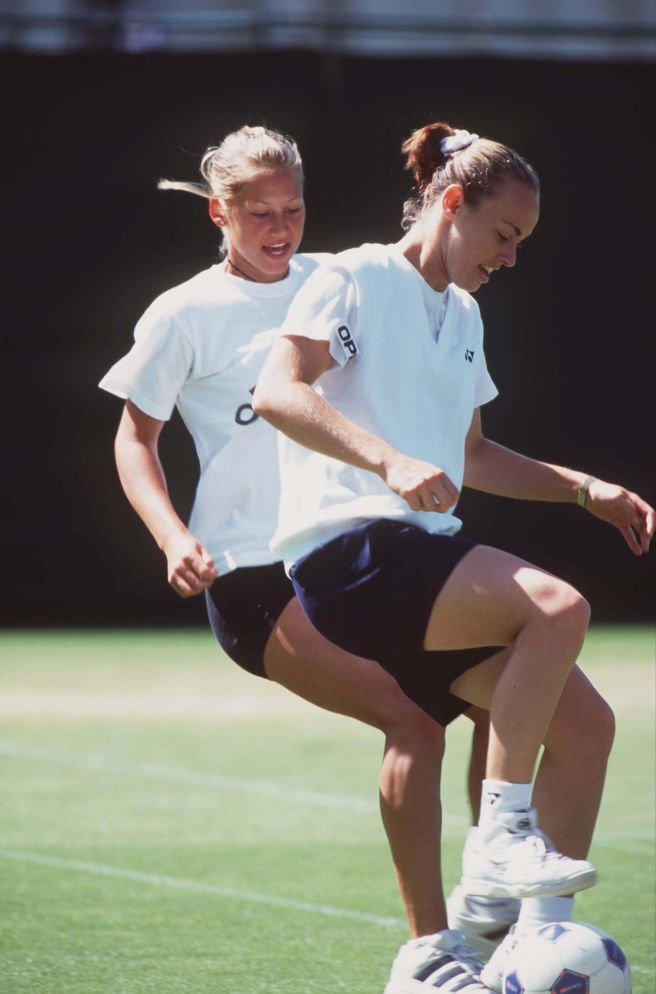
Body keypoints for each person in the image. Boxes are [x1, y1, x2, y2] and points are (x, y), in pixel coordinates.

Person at [99, 125, 514, 994]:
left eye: (292, 209)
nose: (279, 227)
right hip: (253, 576)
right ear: (220, 212)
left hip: (347, 554)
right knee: (413, 722)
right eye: (258, 213)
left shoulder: (339, 281)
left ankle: (498, 926)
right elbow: (135, 438)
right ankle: (427, 956)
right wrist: (175, 538)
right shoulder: (185, 312)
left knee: (507, 701)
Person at [253, 120, 654, 992]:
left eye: (520, 244)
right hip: (346, 553)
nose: (509, 258)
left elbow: (473, 455)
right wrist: (389, 460)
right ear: (449, 203)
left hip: (420, 561)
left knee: (587, 729)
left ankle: (512, 948)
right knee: (556, 606)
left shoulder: (464, 313)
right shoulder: (354, 275)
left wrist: (588, 489)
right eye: (503, 234)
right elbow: (277, 391)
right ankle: (501, 840)